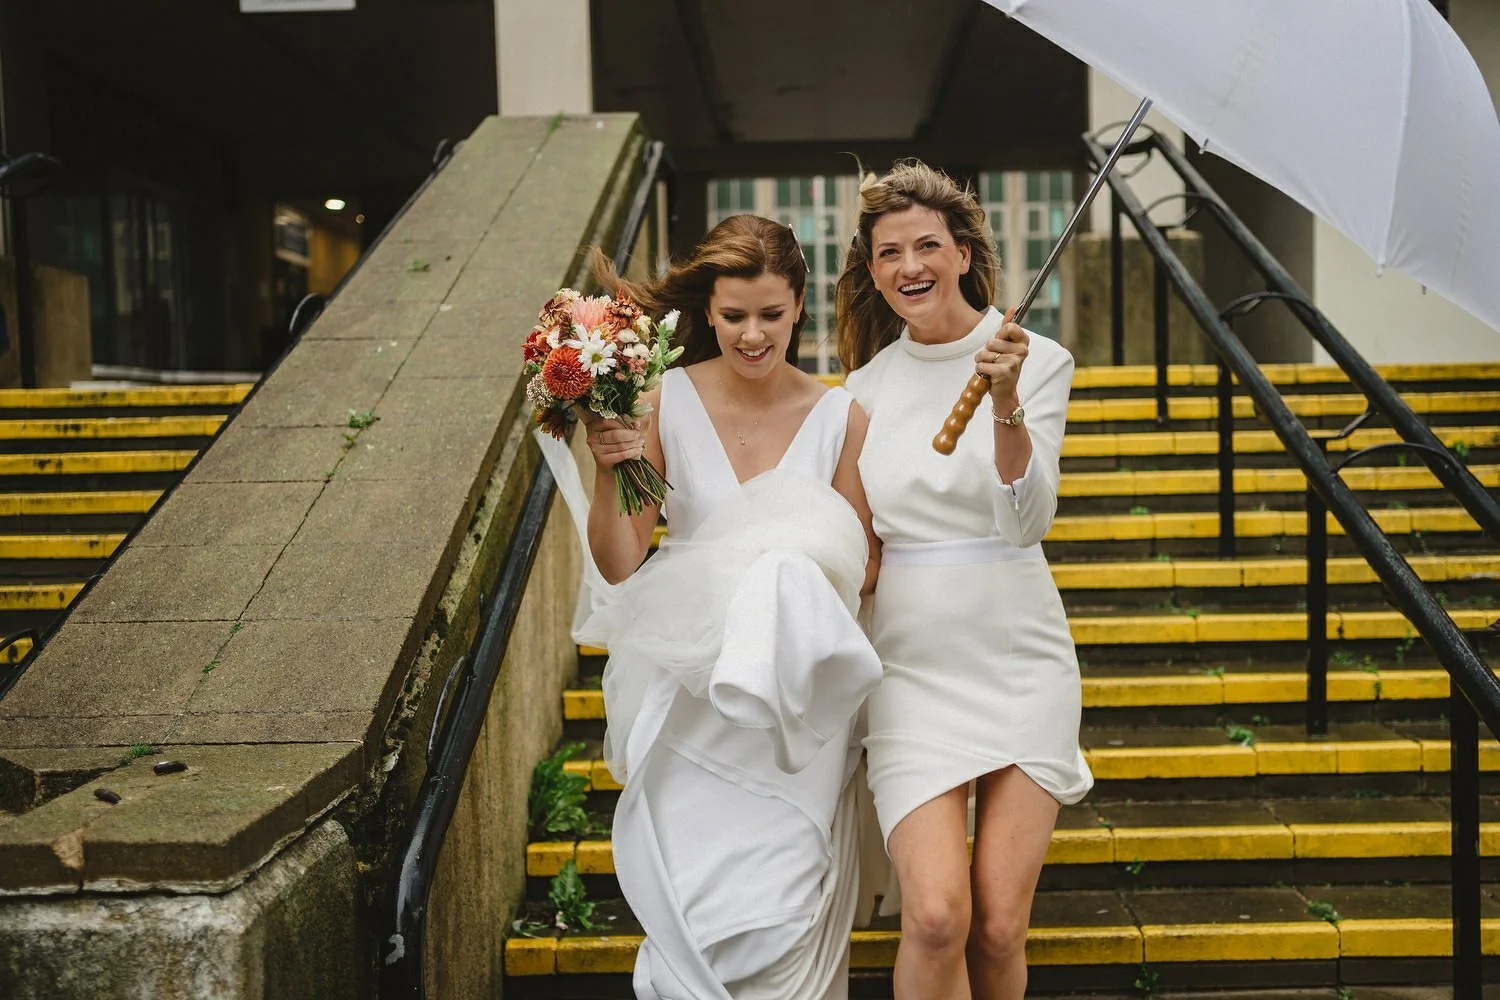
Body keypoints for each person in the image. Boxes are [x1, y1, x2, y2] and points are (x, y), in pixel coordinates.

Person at [533, 214, 882, 1000]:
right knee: (696, 908)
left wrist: (784, 572)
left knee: (783, 910)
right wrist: (609, 466)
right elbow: (620, 563)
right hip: (692, 697)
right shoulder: (661, 402)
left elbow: (860, 570)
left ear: (800, 307)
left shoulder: (842, 419)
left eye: (771, 314)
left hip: (794, 710)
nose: (753, 334)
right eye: (733, 316)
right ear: (708, 313)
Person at [835, 161, 1093, 1000]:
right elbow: (857, 548)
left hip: (1020, 660)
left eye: (926, 246)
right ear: (872, 270)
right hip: (909, 669)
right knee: (937, 915)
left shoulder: (1039, 361)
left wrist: (1006, 399)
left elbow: (1028, 521)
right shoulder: (864, 389)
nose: (909, 267)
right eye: (889, 253)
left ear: (963, 254)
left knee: (999, 924)